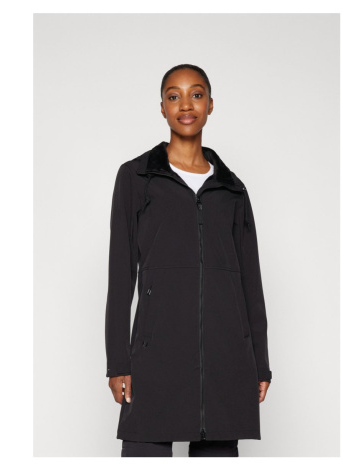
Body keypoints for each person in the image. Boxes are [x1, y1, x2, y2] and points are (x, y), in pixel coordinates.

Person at [105, 64, 272, 457]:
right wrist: (118, 362)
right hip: (155, 353)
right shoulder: (136, 177)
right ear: (162, 107)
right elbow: (120, 274)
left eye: (196, 94)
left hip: (225, 357)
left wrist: (259, 363)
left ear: (210, 105)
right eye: (173, 96)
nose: (185, 105)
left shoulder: (232, 189)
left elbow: (250, 281)